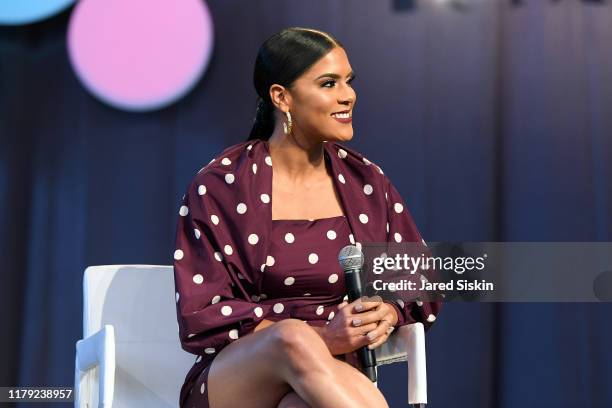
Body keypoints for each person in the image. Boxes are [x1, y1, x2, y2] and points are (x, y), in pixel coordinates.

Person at [173, 27, 441, 408]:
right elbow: (203, 313)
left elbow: (420, 279)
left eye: (349, 82)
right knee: (291, 338)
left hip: (328, 379)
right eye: (329, 83)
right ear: (282, 97)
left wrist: (390, 310)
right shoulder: (221, 184)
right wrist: (324, 337)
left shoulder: (365, 180)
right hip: (238, 378)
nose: (348, 95)